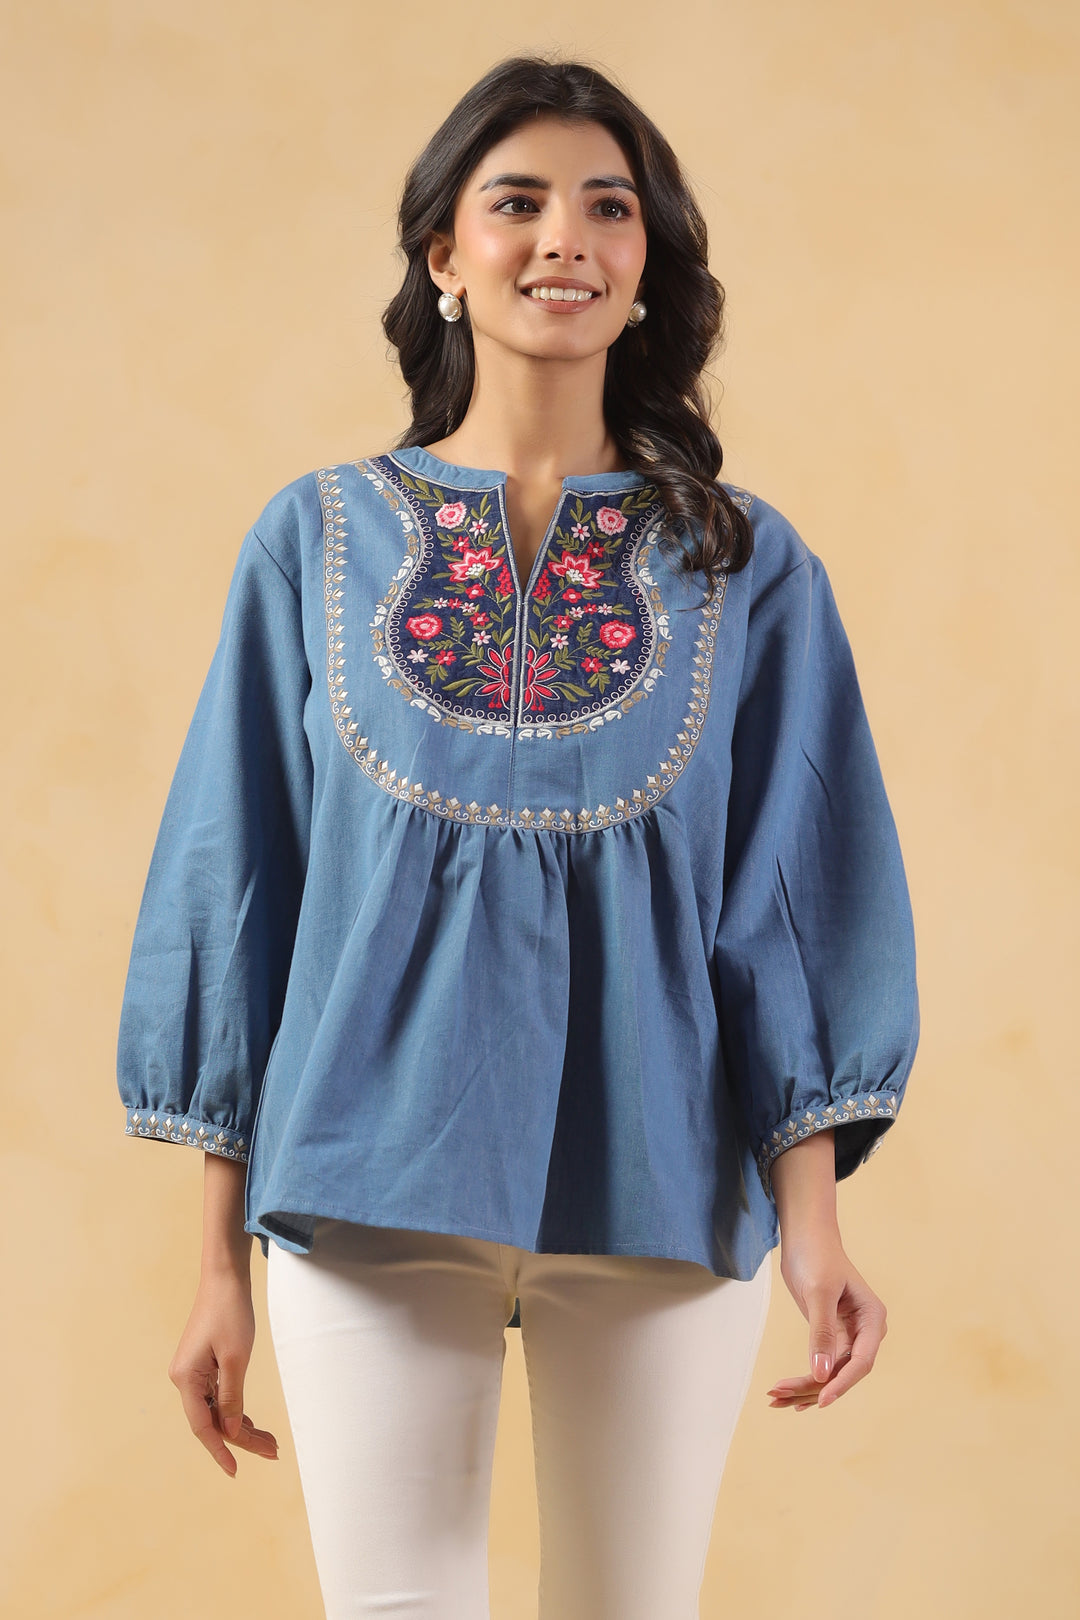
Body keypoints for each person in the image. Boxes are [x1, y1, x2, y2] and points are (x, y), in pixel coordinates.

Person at [116, 54, 920, 1620]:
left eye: (609, 207)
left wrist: (816, 1228)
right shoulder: (317, 540)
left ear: (647, 263)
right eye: (520, 201)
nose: (567, 237)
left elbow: (793, 900)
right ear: (444, 253)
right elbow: (236, 882)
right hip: (363, 1177)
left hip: (662, 1183)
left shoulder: (745, 567)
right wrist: (215, 1265)